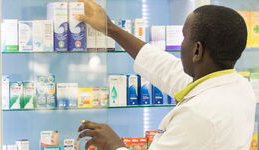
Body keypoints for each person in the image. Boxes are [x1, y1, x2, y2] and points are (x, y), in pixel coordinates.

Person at [76, 0, 257, 149]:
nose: (181, 45)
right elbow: (165, 68)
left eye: (184, 37)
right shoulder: (238, 86)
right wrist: (111, 28)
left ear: (197, 50)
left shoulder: (199, 114)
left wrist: (114, 144)